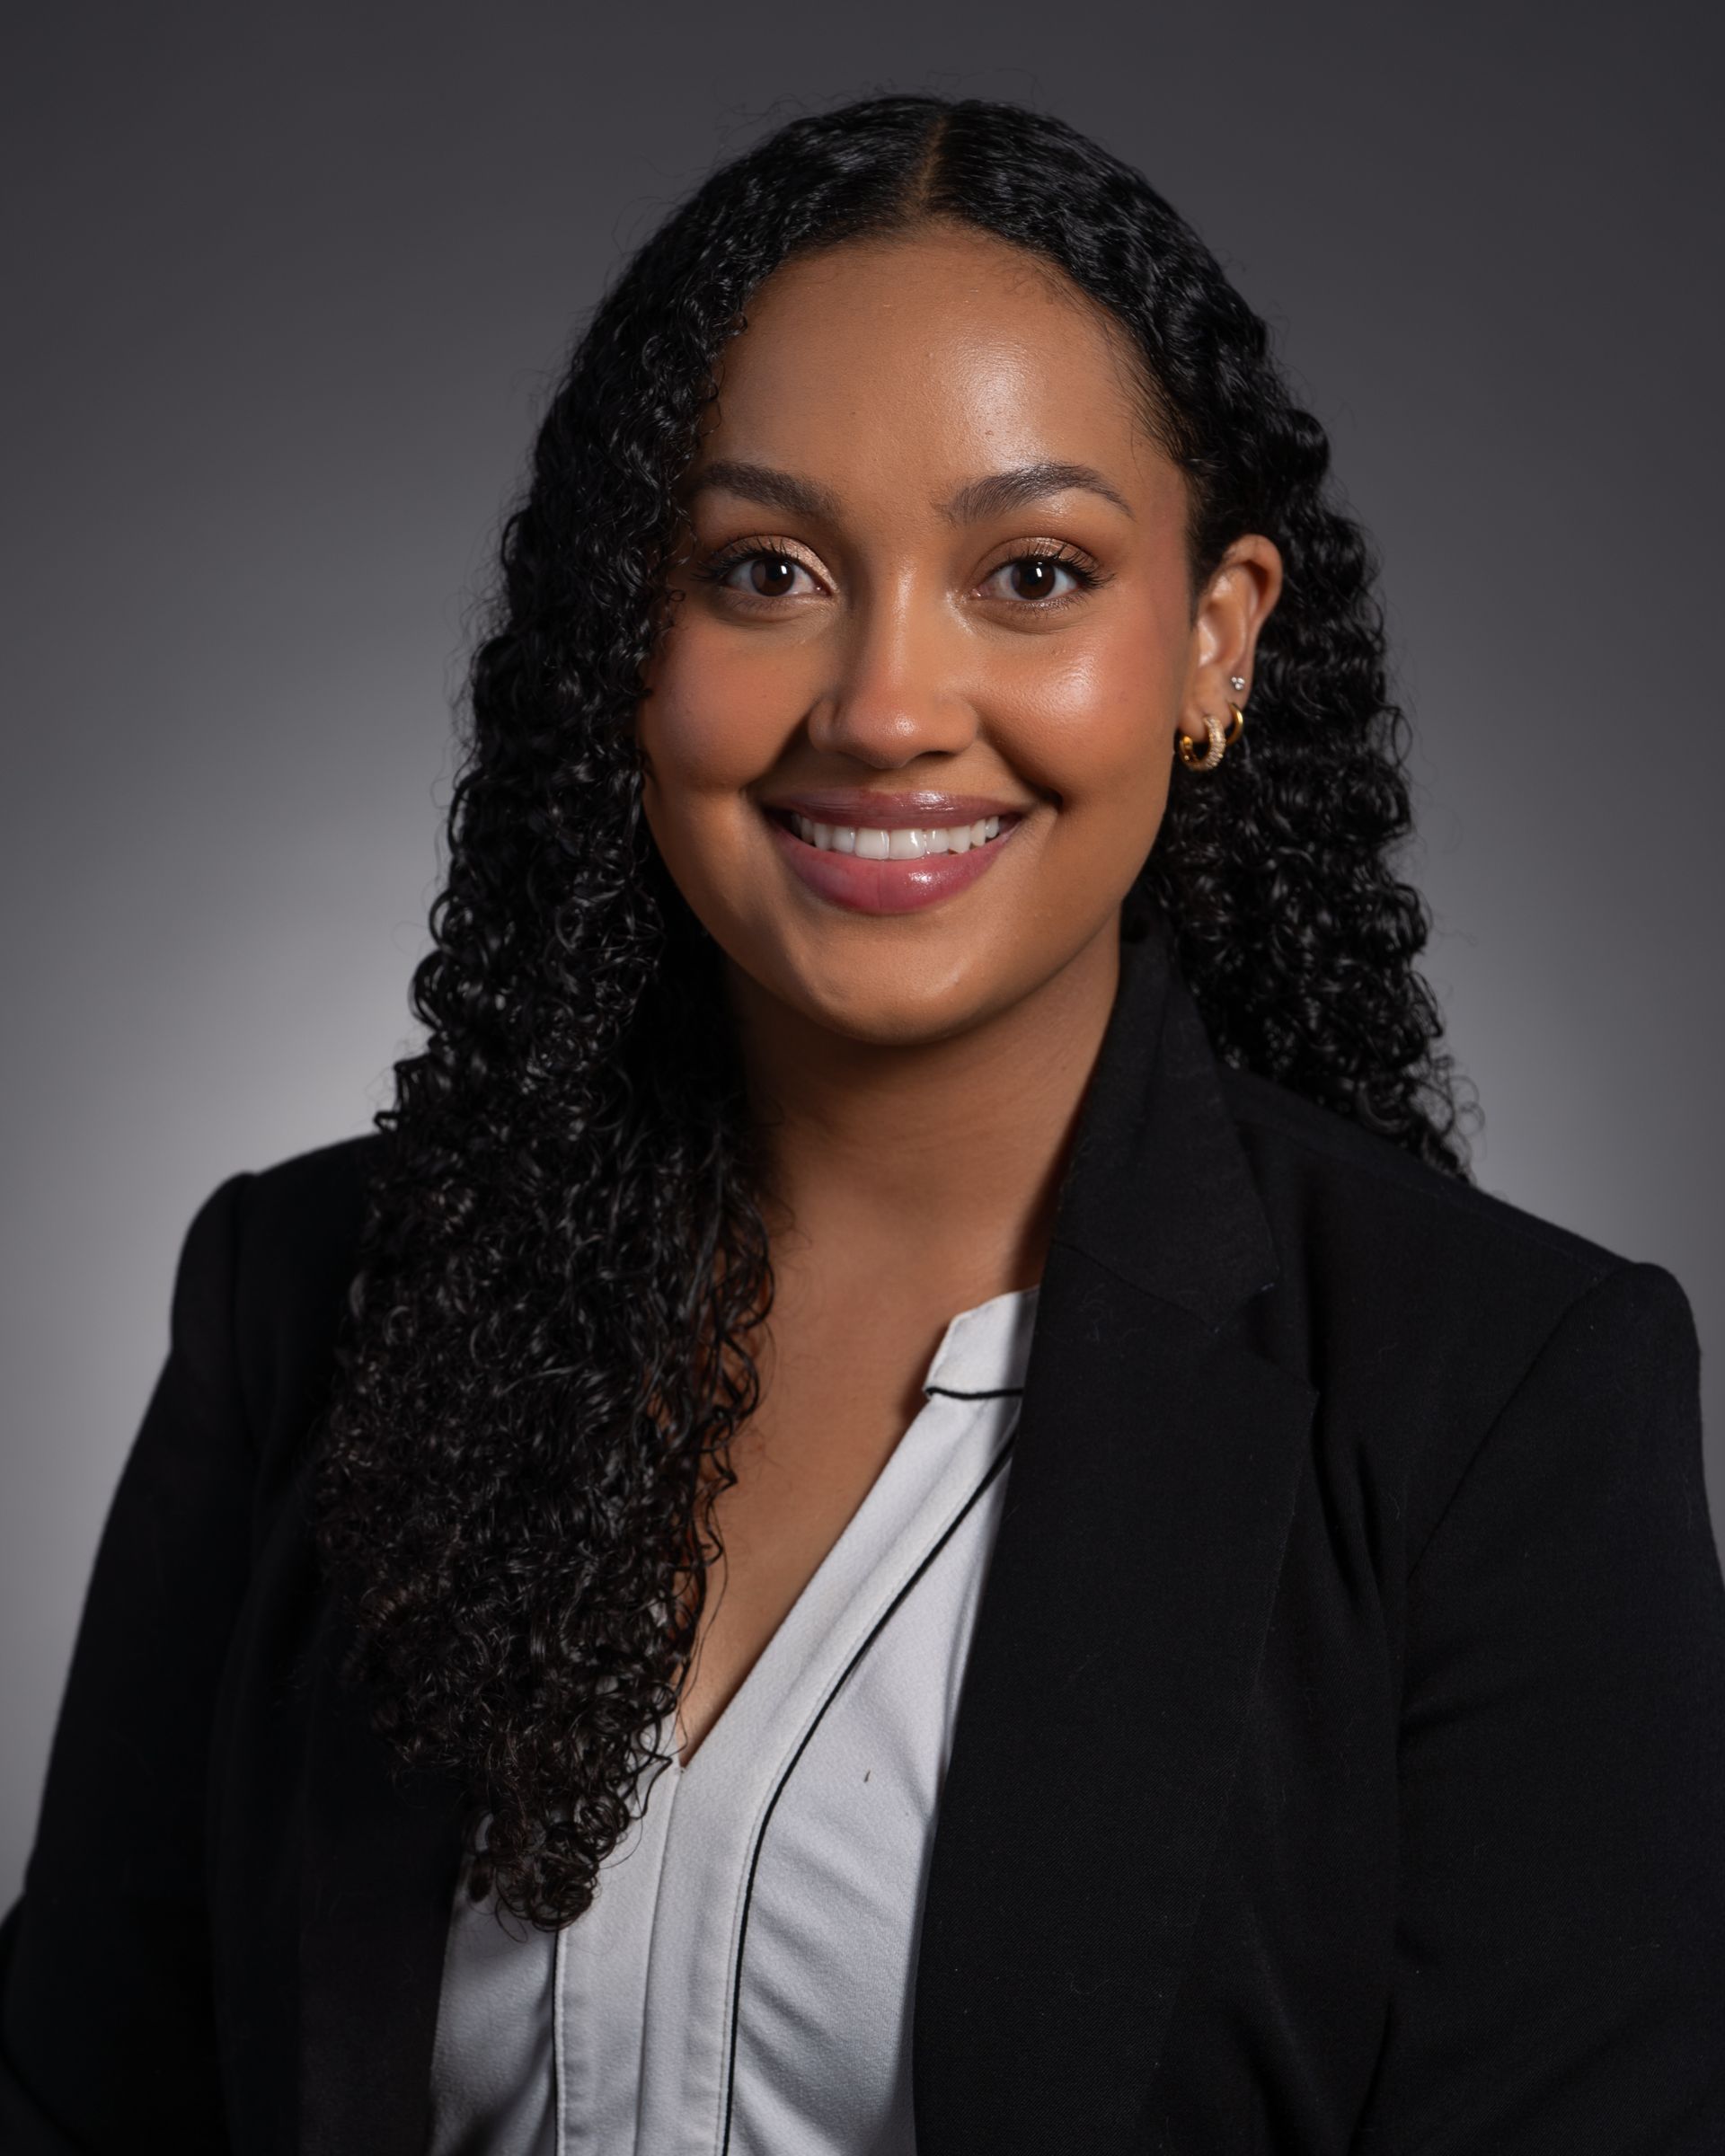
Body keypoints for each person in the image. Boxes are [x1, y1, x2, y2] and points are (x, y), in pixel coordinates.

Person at [3, 91, 1722, 2156]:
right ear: (623, 644)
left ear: (1213, 638)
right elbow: (85, 2093)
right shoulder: (311, 1304)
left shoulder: (1498, 1406)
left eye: (1033, 571)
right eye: (768, 569)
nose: (888, 704)